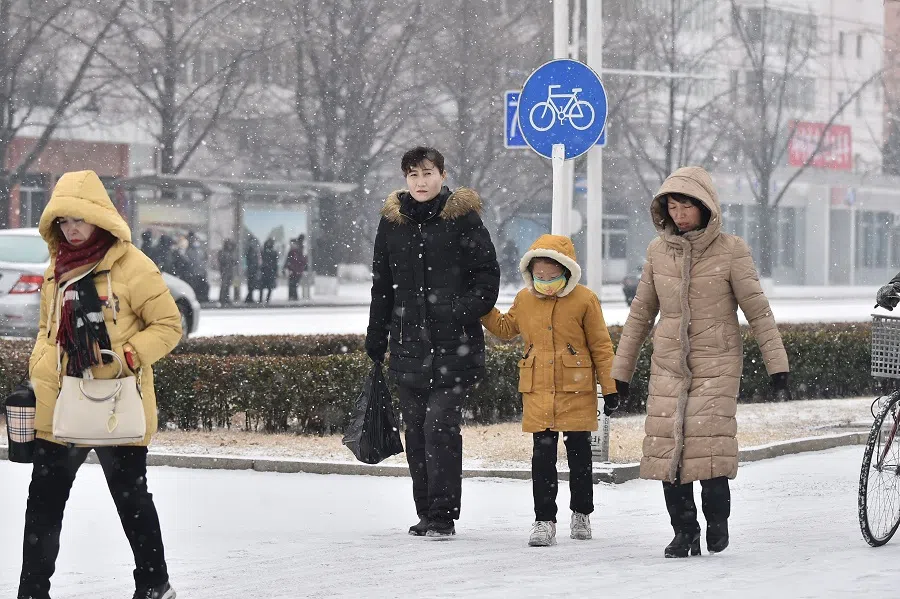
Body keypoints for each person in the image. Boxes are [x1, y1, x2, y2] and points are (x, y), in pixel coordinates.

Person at [610, 166, 790, 558]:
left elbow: (758, 312)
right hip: (669, 365)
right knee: (666, 448)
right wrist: (619, 375)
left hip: (718, 363)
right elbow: (641, 314)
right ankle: (683, 530)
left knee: (708, 449)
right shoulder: (658, 252)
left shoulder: (731, 250)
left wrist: (778, 366)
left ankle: (717, 519)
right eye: (672, 207)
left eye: (686, 206)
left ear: (705, 207)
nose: (679, 215)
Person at [20, 170, 182, 599]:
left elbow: (168, 324)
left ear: (100, 219)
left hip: (116, 404)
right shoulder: (57, 267)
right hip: (61, 402)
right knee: (43, 506)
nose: (72, 229)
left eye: (79, 220)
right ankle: (32, 590)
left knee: (132, 501)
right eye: (64, 221)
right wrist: (39, 369)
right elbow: (46, 330)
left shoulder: (132, 265)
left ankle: (154, 584)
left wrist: (129, 355)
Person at [366, 146, 500, 538]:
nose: (420, 182)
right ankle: (425, 512)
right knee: (416, 431)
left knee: (439, 426)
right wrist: (376, 337)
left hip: (453, 346)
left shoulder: (462, 219)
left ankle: (443, 514)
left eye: (427, 173)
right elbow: (382, 287)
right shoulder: (392, 223)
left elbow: (486, 279)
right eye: (412, 175)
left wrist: (454, 311)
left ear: (442, 174)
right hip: (408, 345)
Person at [480, 234, 618, 547]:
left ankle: (581, 514)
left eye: (550, 275)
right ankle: (544, 521)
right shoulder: (525, 299)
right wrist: (483, 308)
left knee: (579, 456)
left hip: (575, 389)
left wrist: (609, 388)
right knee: (542, 459)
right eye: (538, 276)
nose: (544, 281)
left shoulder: (585, 299)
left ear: (566, 271)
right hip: (538, 390)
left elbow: (601, 345)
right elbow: (504, 328)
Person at [283, 235, 308, 301]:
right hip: (296, 270)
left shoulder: (294, 251)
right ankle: (293, 297)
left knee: (293, 284)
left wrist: (287, 267)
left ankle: (293, 297)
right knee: (293, 284)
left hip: (294, 270)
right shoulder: (298, 250)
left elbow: (288, 260)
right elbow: (302, 261)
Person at [217, 239, 238, 305]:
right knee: (224, 286)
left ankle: (226, 298)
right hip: (225, 271)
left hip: (229, 271)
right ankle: (222, 299)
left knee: (227, 286)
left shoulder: (230, 252)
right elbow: (223, 261)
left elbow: (233, 261)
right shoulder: (223, 252)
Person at [260, 237, 279, 303]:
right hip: (267, 271)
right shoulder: (266, 252)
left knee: (267, 287)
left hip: (268, 271)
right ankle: (264, 299)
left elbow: (275, 263)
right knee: (265, 287)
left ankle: (265, 299)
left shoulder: (270, 252)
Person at [244, 234, 261, 303]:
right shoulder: (251, 250)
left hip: (252, 270)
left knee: (251, 285)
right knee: (251, 285)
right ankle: (249, 298)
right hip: (252, 270)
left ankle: (249, 297)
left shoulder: (251, 250)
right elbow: (252, 261)